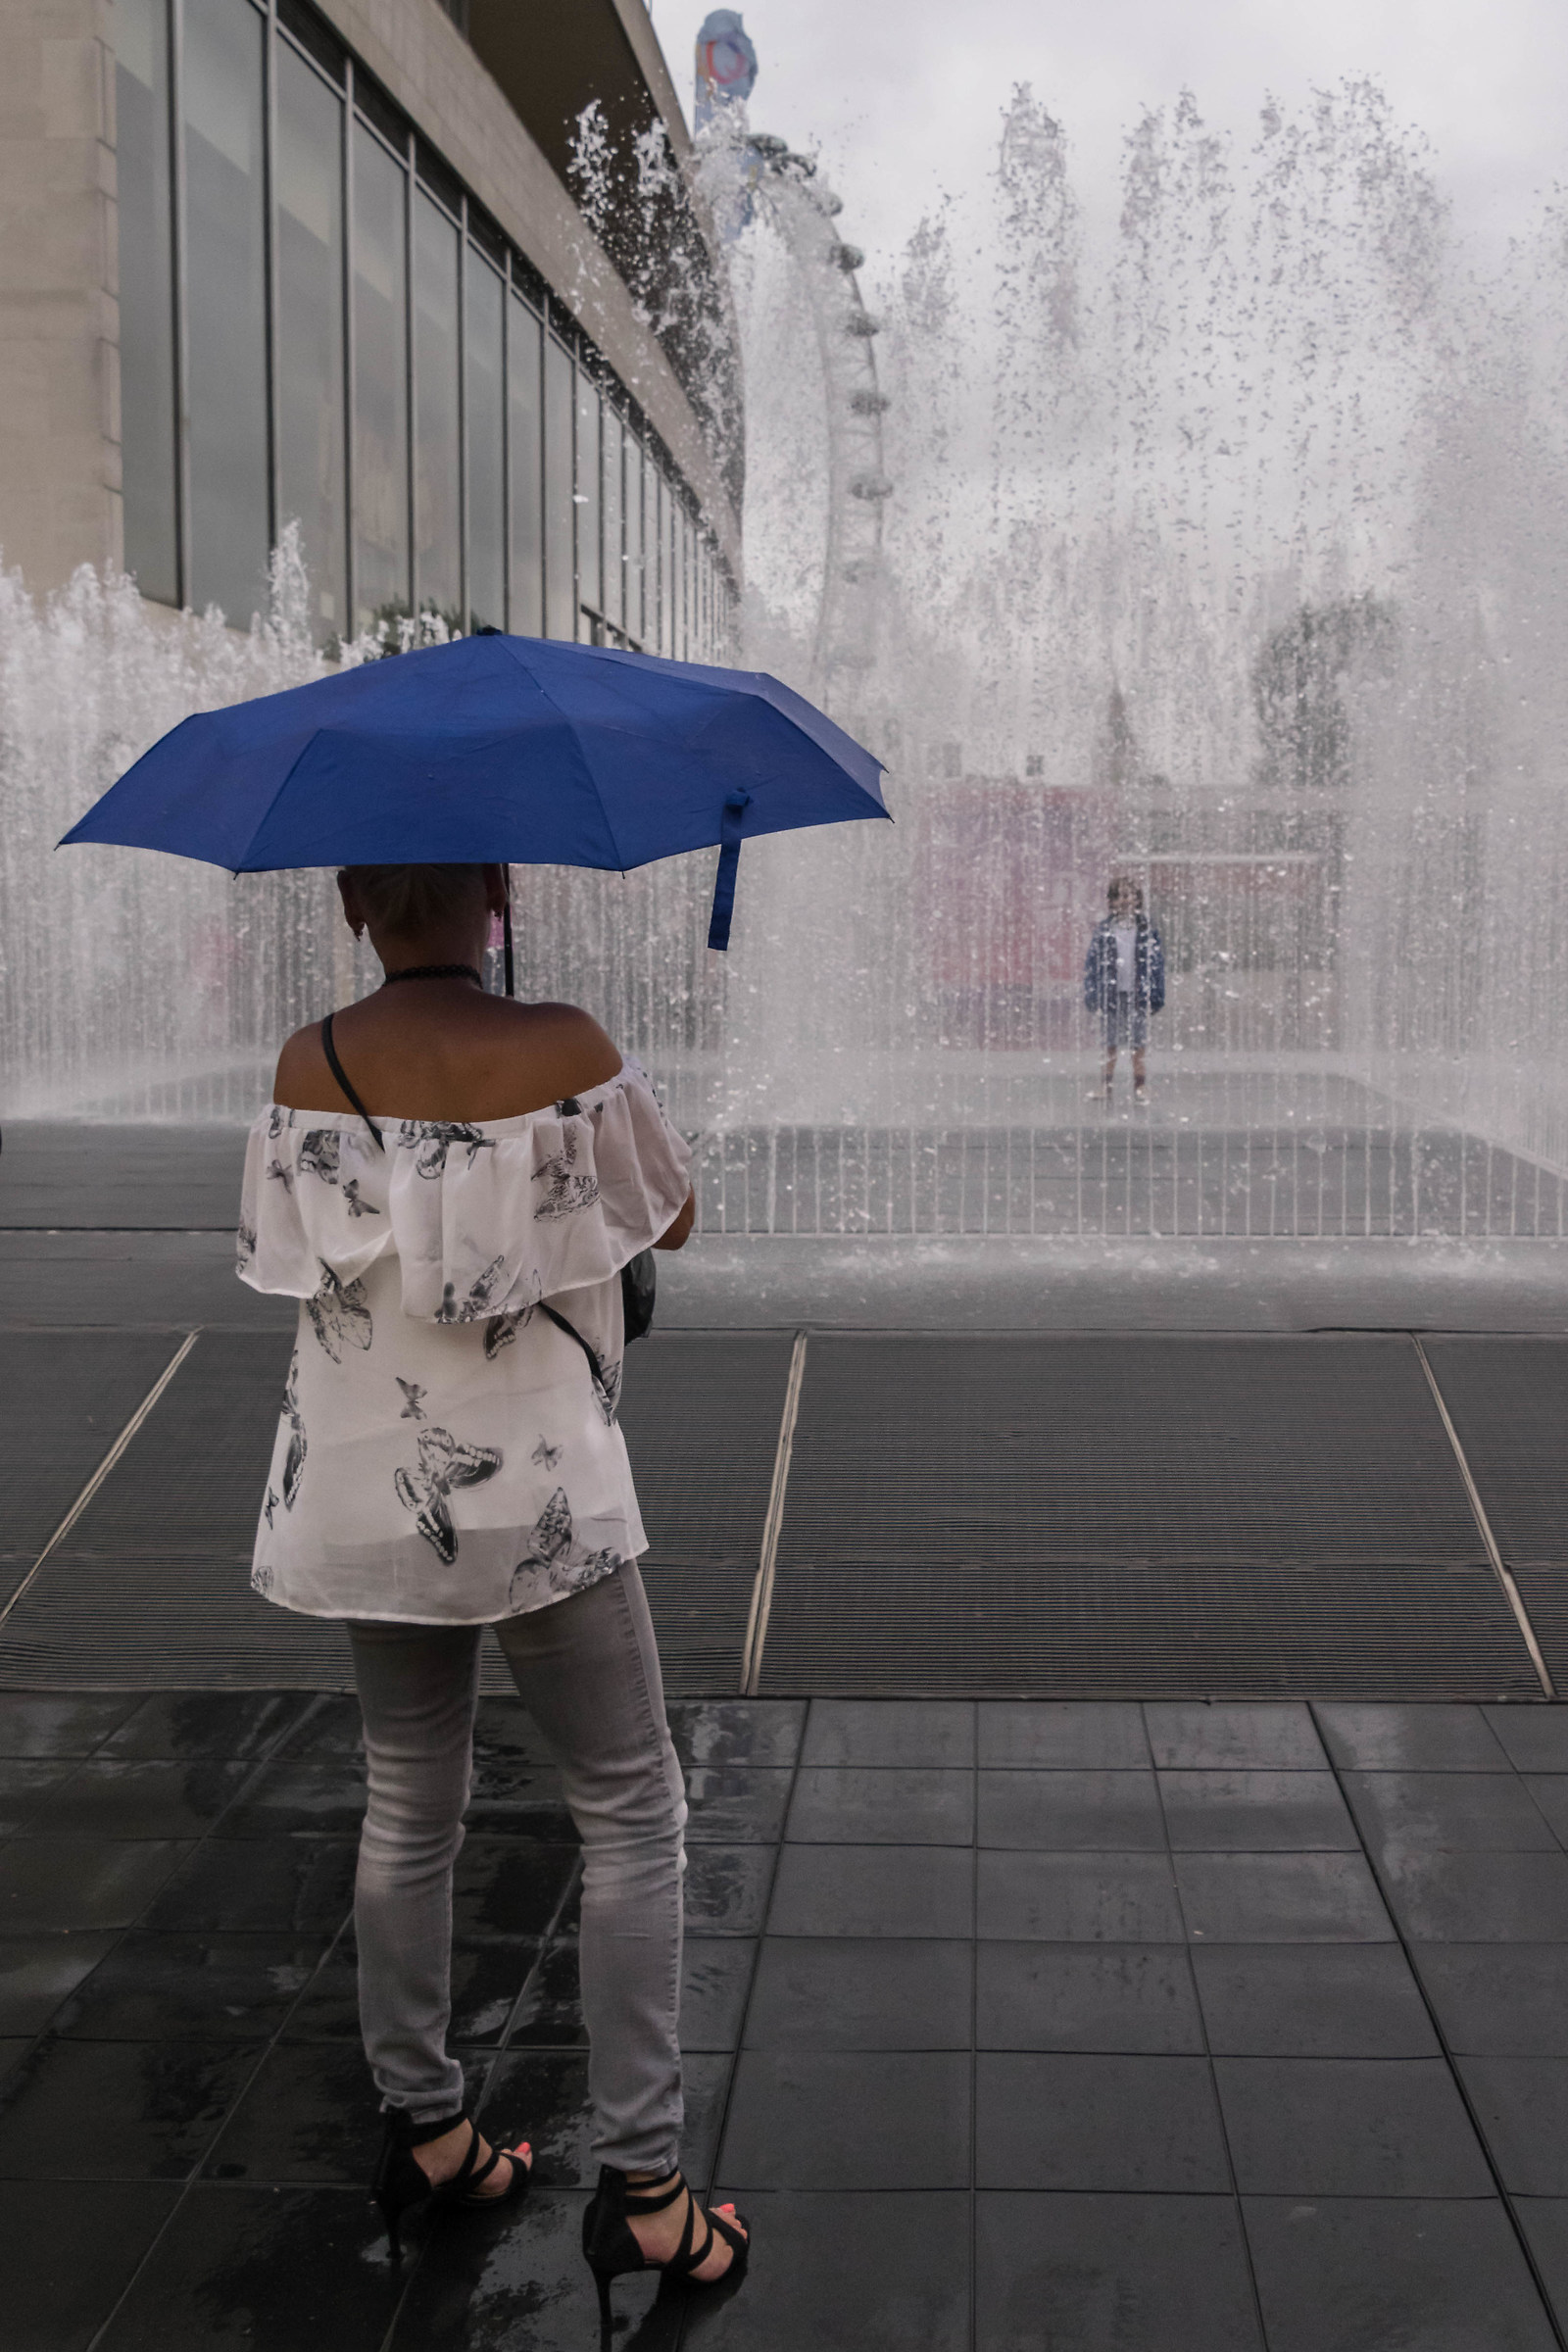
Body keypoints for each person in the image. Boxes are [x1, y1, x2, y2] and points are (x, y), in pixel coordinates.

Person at [236, 861, 748, 2321]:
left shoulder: (301, 1063)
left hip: (360, 1485)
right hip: (531, 1497)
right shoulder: (565, 1044)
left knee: (409, 1796)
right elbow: (677, 1216)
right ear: (499, 895)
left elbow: (287, 1256)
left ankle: (434, 2129)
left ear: (353, 907)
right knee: (633, 1808)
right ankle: (647, 2192)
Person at [1083, 875, 1165, 1103]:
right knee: (1109, 1043)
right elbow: (1092, 963)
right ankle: (1105, 1086)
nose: (1123, 901)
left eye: (1128, 895)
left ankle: (1140, 1087)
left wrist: (1156, 993)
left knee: (1138, 1045)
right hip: (1111, 994)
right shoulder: (1104, 930)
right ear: (1110, 902)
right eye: (1118, 896)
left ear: (1138, 899)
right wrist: (1092, 993)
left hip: (1137, 994)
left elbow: (1157, 963)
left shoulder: (1147, 930)